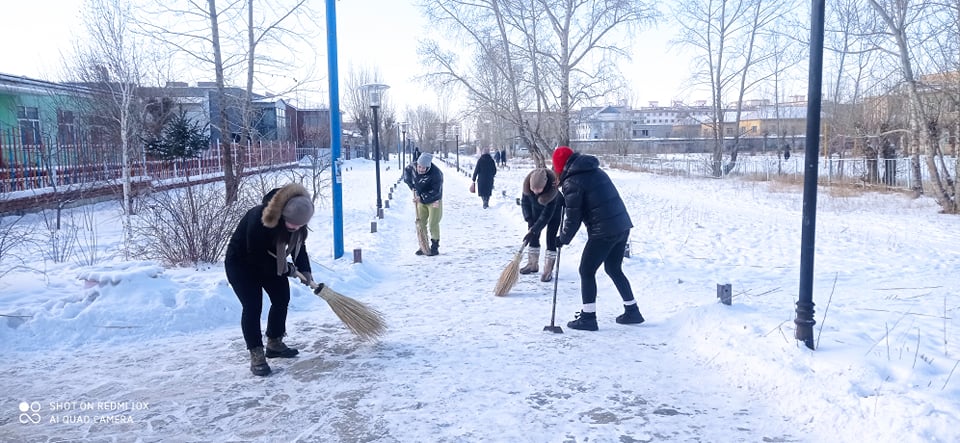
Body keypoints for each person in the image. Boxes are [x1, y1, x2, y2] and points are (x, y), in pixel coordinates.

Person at [225, 183, 315, 376]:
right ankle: (256, 353)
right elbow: (254, 254)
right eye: (292, 224)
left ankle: (274, 342)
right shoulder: (259, 217)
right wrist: (286, 269)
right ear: (282, 215)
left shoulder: (296, 222)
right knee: (253, 306)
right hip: (241, 264)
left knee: (282, 298)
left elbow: (300, 248)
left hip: (272, 262)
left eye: (300, 225)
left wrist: (305, 270)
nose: (296, 228)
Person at [552, 146, 644, 331]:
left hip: (603, 231)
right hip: (621, 225)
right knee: (613, 268)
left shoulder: (572, 182)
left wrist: (562, 239)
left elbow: (573, 218)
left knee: (586, 270)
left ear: (560, 167)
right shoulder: (594, 170)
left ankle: (588, 318)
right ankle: (632, 311)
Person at [520, 167, 564, 282]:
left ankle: (548, 269)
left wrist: (535, 229)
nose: (535, 191)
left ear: (544, 186)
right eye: (533, 188)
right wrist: (529, 219)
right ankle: (532, 264)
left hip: (553, 214)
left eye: (538, 189)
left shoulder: (552, 192)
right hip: (535, 212)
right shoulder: (527, 187)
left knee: (551, 238)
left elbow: (546, 216)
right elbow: (524, 203)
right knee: (533, 237)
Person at [404, 152, 443, 255]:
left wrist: (420, 198)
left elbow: (436, 192)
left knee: (433, 223)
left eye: (424, 168)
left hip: (434, 200)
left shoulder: (436, 174)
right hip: (420, 199)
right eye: (419, 167)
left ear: (428, 166)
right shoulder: (412, 167)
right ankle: (423, 245)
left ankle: (435, 246)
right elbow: (406, 173)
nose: (421, 169)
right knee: (420, 222)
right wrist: (412, 186)